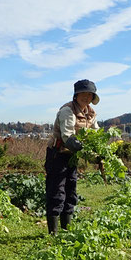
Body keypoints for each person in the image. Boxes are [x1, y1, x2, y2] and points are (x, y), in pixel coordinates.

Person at [45, 79, 99, 234]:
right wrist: (85, 151)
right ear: (76, 95)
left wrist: (98, 154)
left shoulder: (91, 114)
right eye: (83, 93)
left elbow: (95, 135)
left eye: (90, 94)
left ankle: (66, 229)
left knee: (71, 190)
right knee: (57, 191)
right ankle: (53, 232)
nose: (86, 97)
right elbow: (68, 136)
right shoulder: (67, 111)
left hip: (72, 156)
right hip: (58, 154)